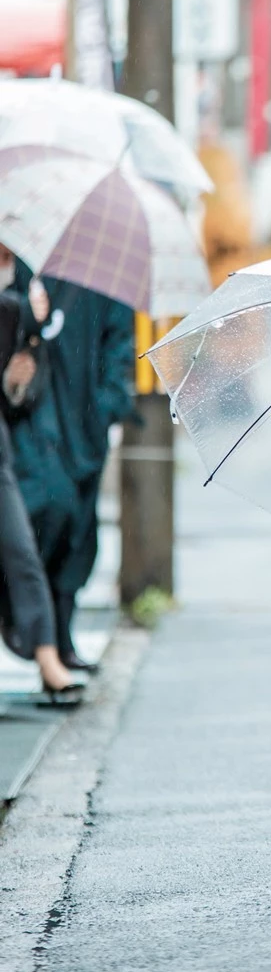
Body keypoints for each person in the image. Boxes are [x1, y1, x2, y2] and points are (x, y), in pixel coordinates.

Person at [10, 262, 134, 671]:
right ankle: (38, 634)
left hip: (84, 423)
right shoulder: (25, 268)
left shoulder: (104, 274)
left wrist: (106, 409)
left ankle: (60, 636)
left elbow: (119, 344)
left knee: (80, 534)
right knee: (45, 514)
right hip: (33, 420)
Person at [0, 253, 84, 704]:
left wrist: (17, 376)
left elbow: (16, 396)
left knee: (22, 552)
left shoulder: (17, 302)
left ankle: (49, 657)